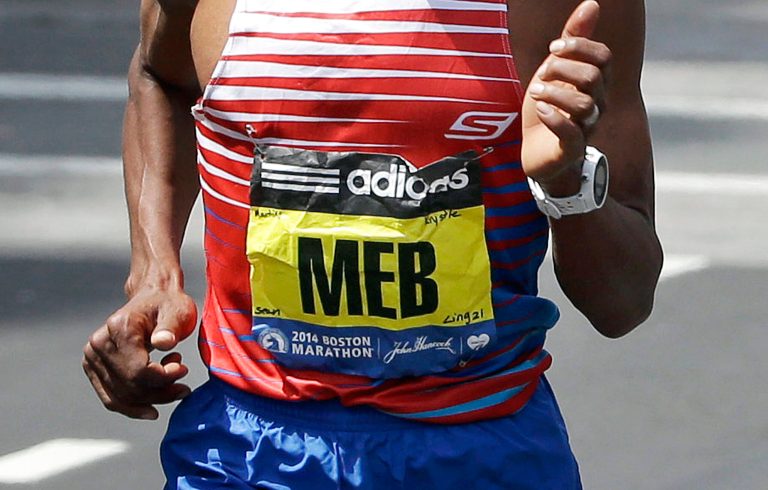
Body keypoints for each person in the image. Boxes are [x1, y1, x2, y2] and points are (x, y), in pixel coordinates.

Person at [83, 0, 663, 488]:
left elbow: (624, 302)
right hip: (244, 449)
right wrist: (154, 275)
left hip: (476, 448)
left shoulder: (563, 11)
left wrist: (566, 184)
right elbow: (161, 75)